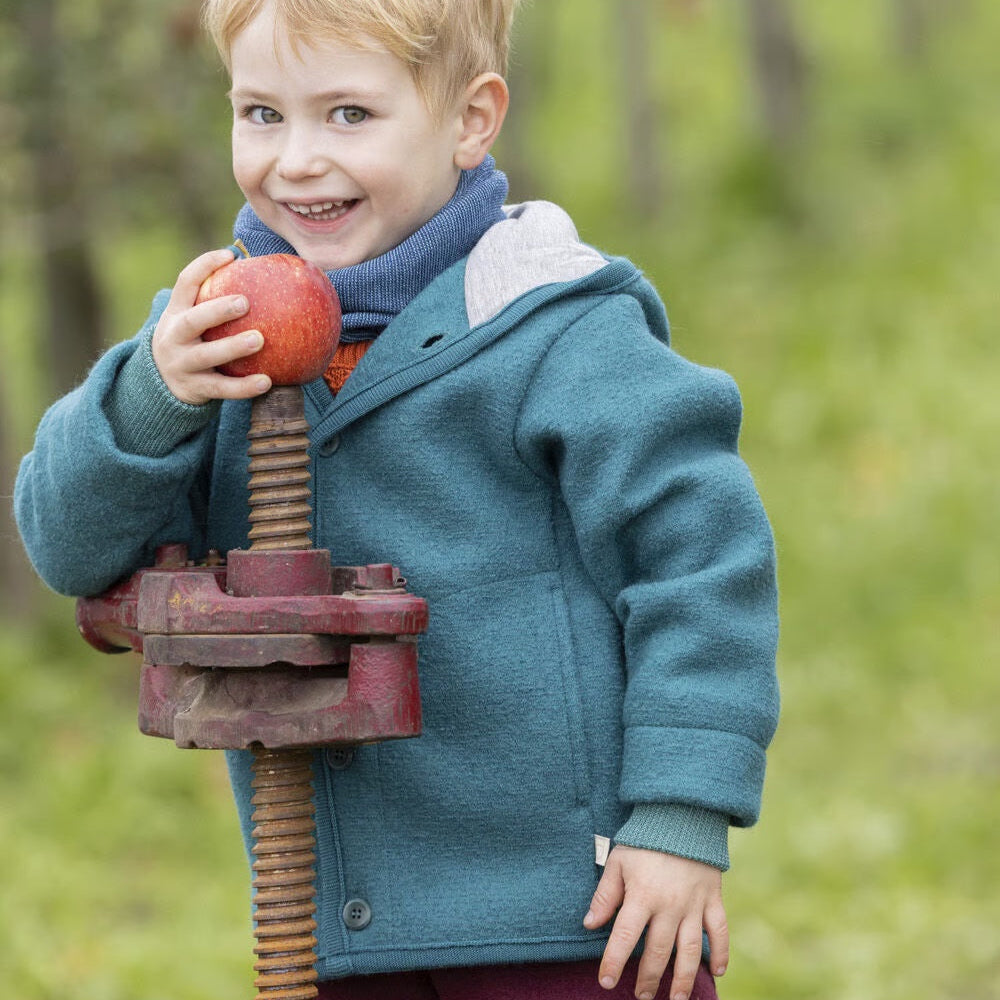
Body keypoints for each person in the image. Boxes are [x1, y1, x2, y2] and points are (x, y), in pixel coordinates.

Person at [14, 1, 780, 998]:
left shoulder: (555, 330)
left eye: (347, 115)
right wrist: (152, 397)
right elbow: (68, 547)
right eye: (260, 113)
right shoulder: (208, 342)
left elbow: (701, 564)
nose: (293, 160)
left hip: (574, 913)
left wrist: (678, 814)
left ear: (470, 120)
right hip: (334, 919)